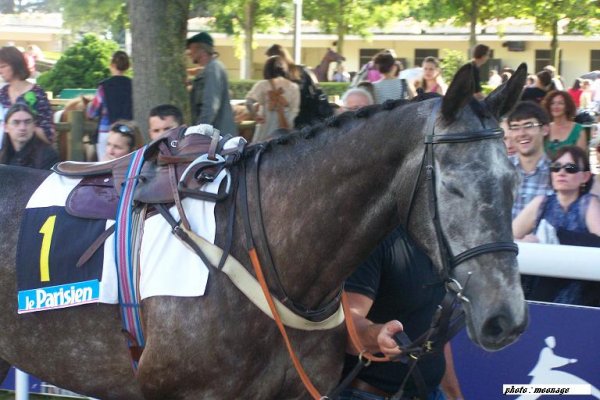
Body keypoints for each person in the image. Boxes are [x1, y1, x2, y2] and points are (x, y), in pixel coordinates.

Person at [340, 226, 464, 400]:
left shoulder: (442, 246)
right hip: (367, 393)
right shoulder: (376, 241)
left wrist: (454, 394)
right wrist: (379, 336)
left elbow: (435, 335)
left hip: (432, 393)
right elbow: (348, 328)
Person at [513, 146, 600, 305]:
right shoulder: (541, 203)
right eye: (556, 167)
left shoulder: (589, 203)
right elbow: (508, 238)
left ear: (585, 177)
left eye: (571, 168)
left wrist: (557, 237)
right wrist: (527, 244)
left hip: (580, 296)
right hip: (539, 294)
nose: (561, 172)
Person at [265, 44, 333, 128]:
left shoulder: (278, 75)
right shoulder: (304, 69)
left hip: (294, 121)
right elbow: (317, 88)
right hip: (313, 117)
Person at [0, 46, 54, 146]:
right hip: (4, 153)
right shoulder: (2, 93)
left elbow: (48, 135)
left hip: (33, 154)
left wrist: (25, 126)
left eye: (3, 66)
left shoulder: (37, 93)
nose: (0, 71)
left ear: (15, 65)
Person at [507, 101, 553, 219]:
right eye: (515, 127)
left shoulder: (558, 172)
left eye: (528, 126)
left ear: (545, 129)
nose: (521, 133)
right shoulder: (500, 169)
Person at [187, 31, 238, 135]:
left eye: (191, 49)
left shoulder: (213, 69)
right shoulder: (209, 69)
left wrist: (198, 133)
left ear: (201, 50)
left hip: (217, 138)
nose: (189, 53)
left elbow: (210, 106)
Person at [86, 50, 133, 160]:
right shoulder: (132, 85)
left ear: (112, 65)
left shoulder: (104, 86)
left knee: (104, 165)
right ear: (127, 66)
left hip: (106, 132)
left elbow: (92, 112)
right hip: (128, 131)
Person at [245, 55, 300, 142]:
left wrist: (255, 115)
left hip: (264, 133)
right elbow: (294, 111)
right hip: (284, 134)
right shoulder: (294, 87)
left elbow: (249, 102)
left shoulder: (262, 85)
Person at [0, 103, 58, 169]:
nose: (22, 128)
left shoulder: (47, 156)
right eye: (16, 122)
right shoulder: (2, 155)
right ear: (5, 127)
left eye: (27, 122)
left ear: (34, 126)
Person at [542, 90, 587, 158]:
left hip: (571, 168)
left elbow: (580, 162)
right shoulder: (544, 129)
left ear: (567, 107)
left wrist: (566, 168)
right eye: (552, 103)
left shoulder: (578, 130)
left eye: (560, 103)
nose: (555, 106)